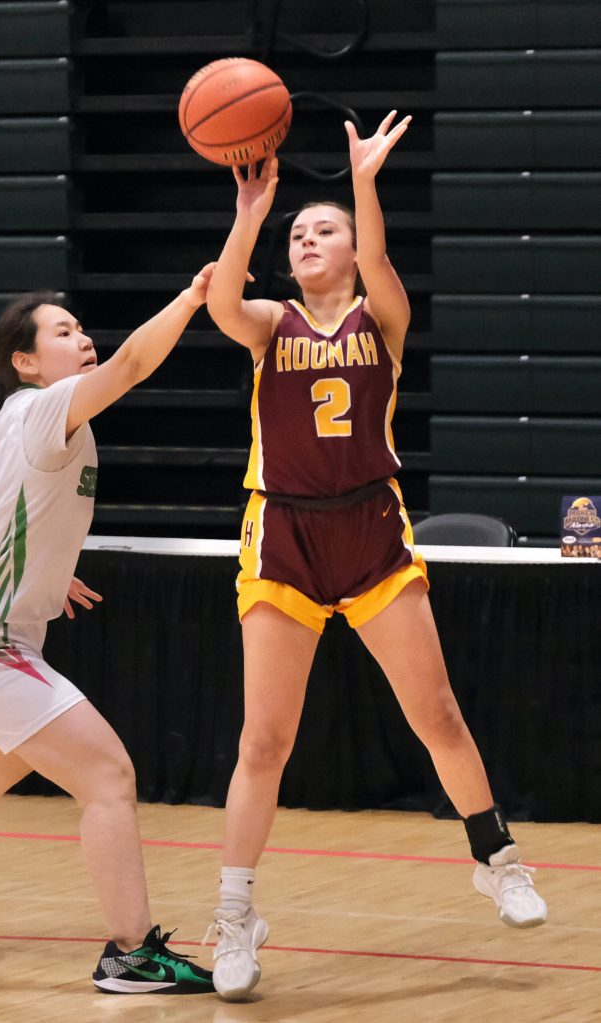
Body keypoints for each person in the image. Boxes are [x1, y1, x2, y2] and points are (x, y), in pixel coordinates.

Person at [203, 112, 547, 1001]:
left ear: (353, 251)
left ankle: (497, 858)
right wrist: (250, 210)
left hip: (369, 528)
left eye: (324, 230)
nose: (306, 239)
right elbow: (217, 302)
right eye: (298, 233)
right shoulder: (268, 320)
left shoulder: (379, 316)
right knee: (264, 739)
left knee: (436, 711)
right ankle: (235, 917)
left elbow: (385, 264)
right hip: (280, 530)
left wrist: (364, 179)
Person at [0, 273, 217, 995]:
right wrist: (190, 299)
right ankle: (129, 953)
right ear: (24, 361)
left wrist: (46, 571)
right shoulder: (41, 408)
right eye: (62, 332)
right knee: (107, 774)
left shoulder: (20, 418)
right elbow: (130, 365)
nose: (83, 337)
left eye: (79, 327)